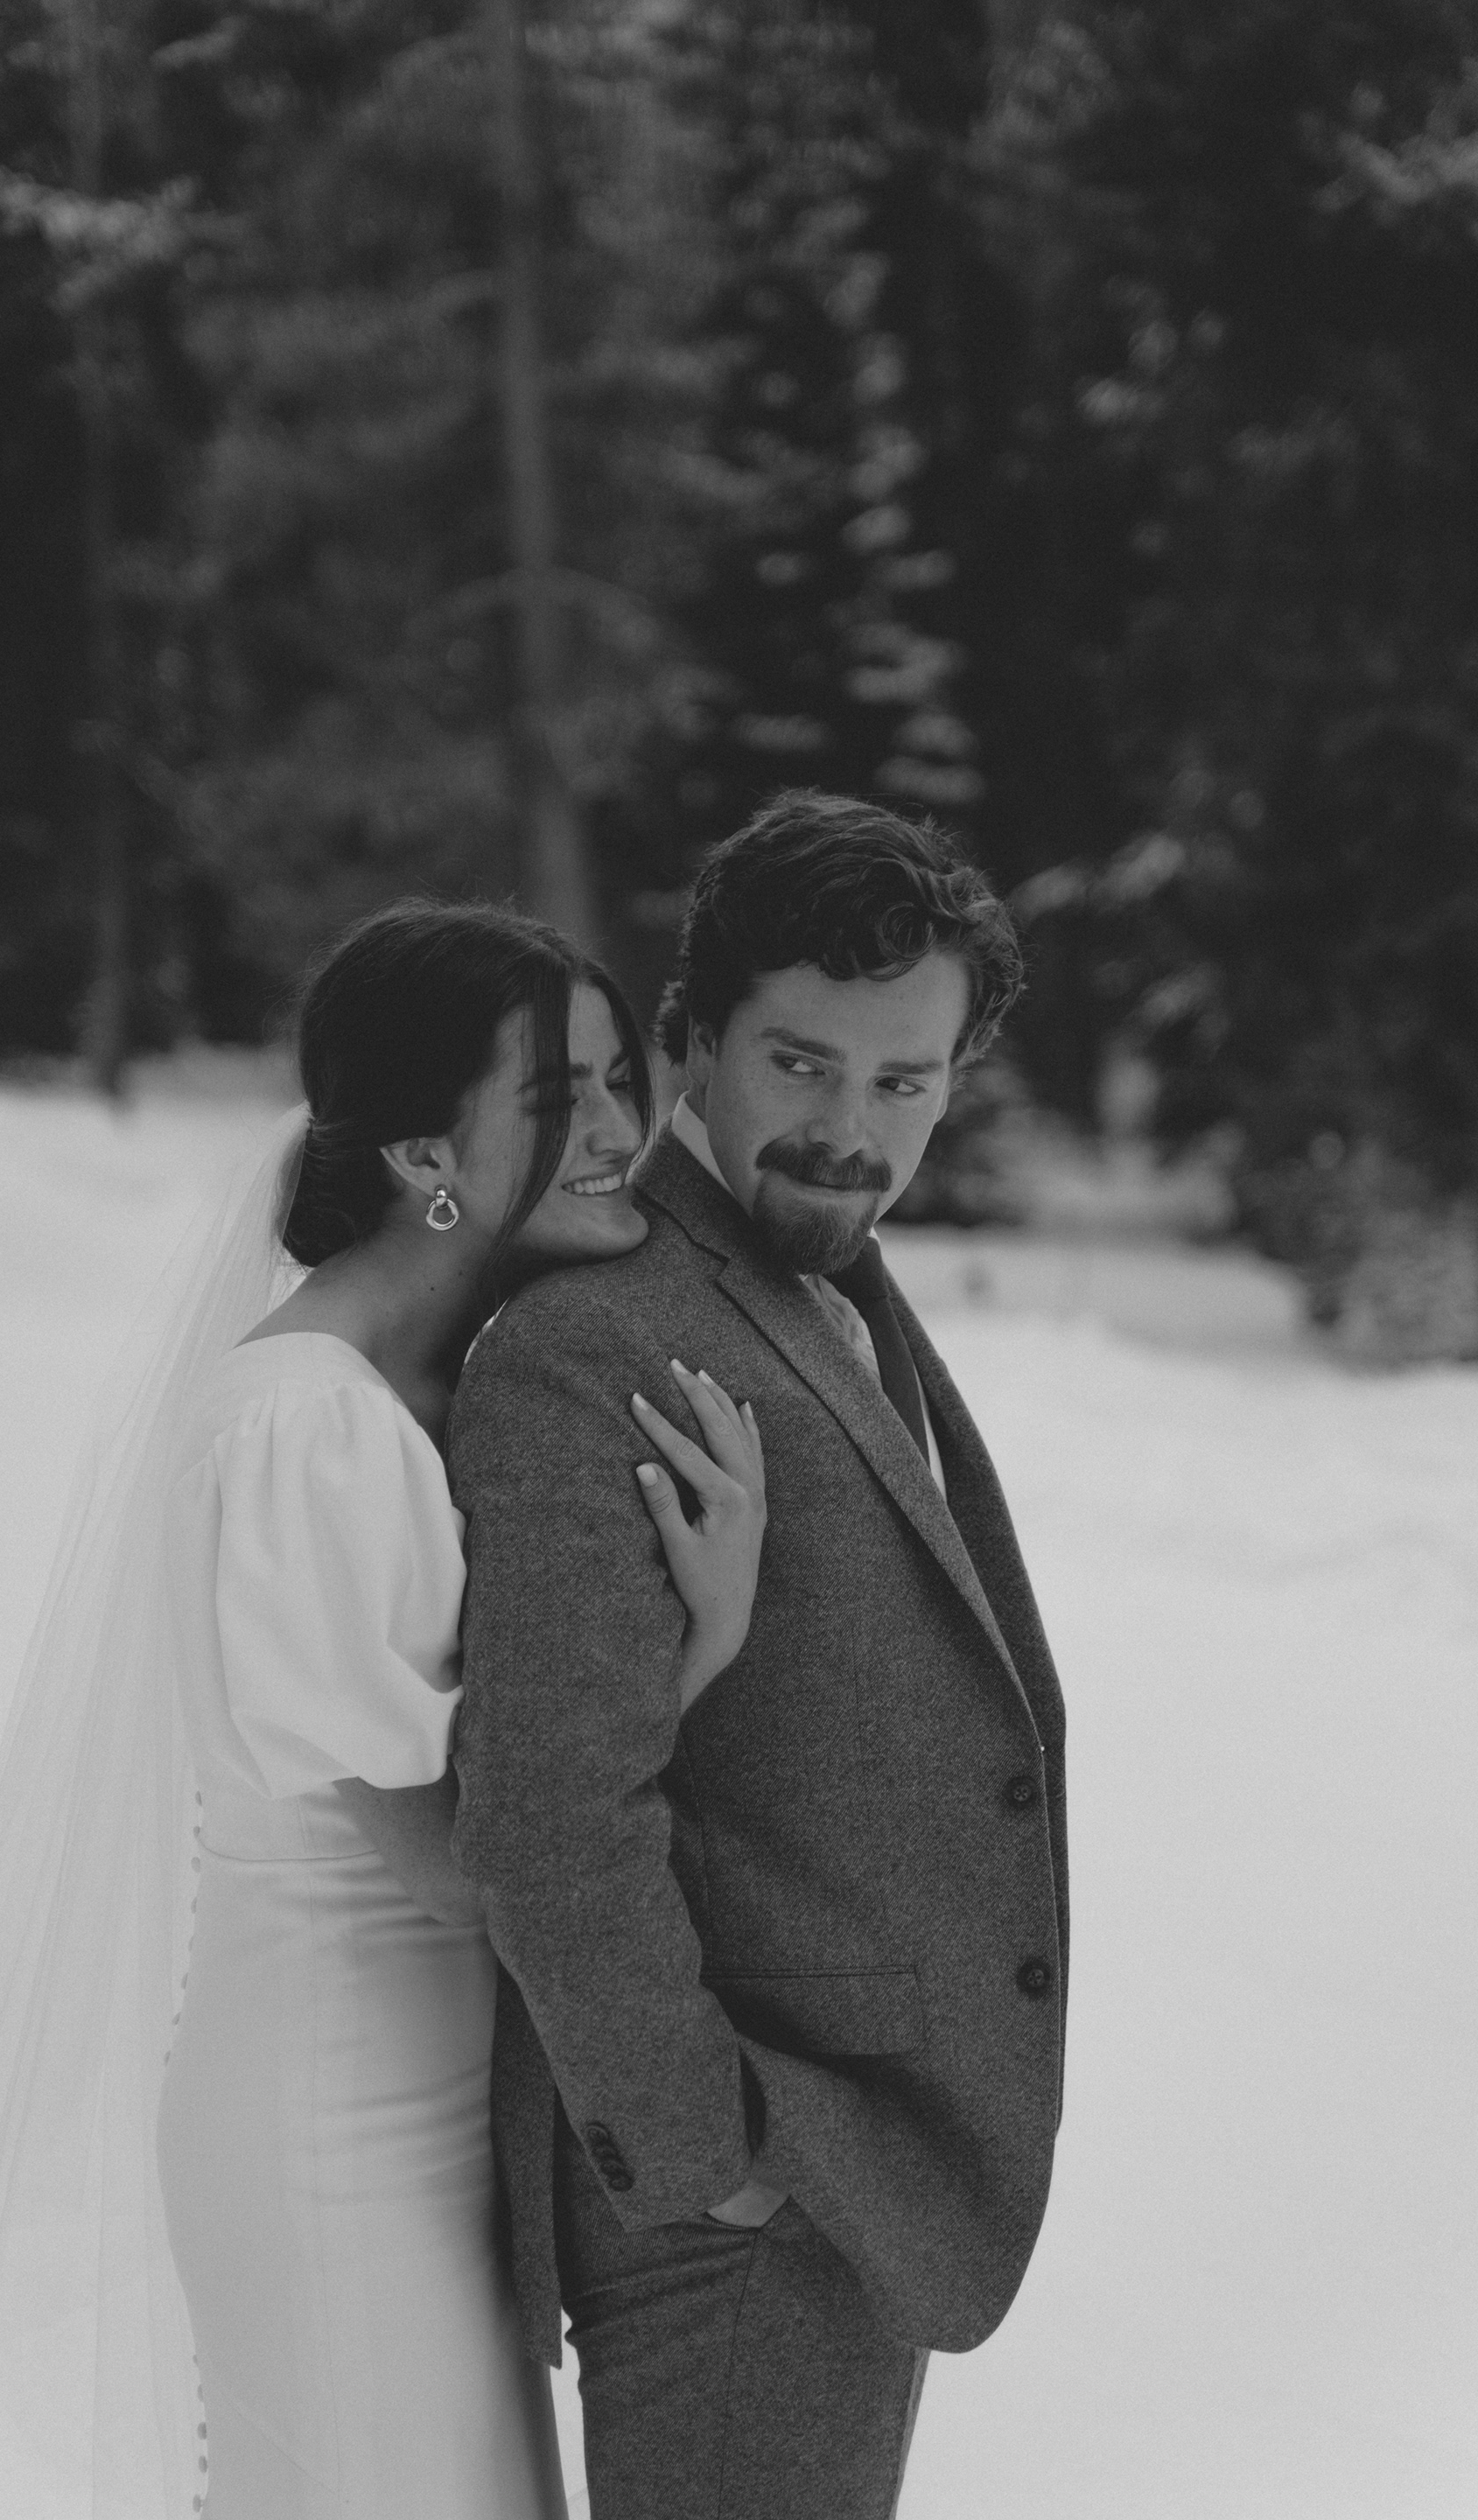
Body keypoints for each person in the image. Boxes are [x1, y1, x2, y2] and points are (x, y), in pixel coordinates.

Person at [0, 900, 766, 2520]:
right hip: (330, 2124)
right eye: (558, 1099)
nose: (618, 1134)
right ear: (427, 1154)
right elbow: (462, 1860)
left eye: (617, 1082)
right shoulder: (306, 1425)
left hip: (435, 2125)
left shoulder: (441, 1387)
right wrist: (706, 1636)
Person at [449, 793, 1069, 2520]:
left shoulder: (818, 1280)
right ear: (694, 1039)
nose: (850, 1130)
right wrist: (708, 2153)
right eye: (801, 1065)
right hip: (736, 2211)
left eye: (905, 1082)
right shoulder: (595, 1342)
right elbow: (547, 1808)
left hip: (847, 2179)